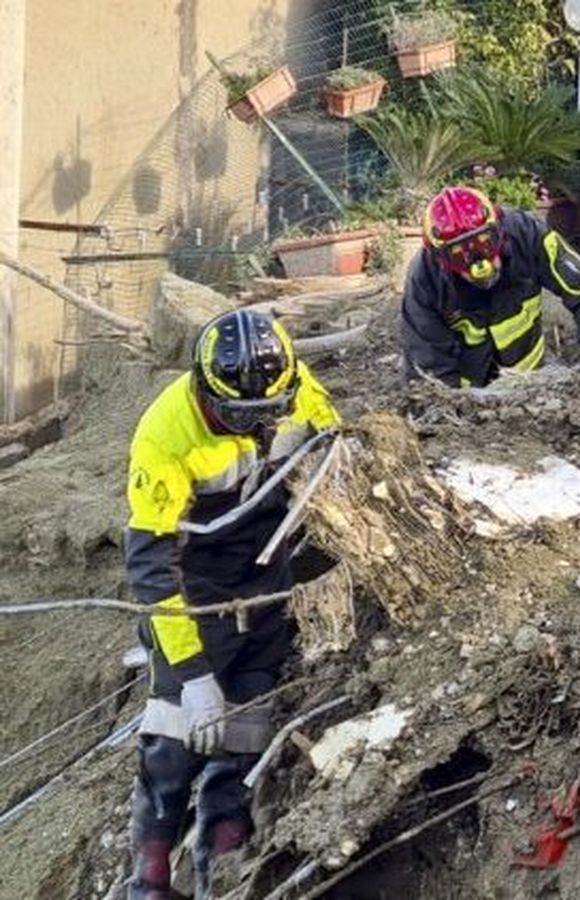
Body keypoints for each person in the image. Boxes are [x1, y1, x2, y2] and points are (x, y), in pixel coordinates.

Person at [124, 310, 339, 899]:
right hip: (197, 586)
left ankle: (223, 863)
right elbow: (150, 566)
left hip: (269, 574)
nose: (262, 425)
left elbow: (331, 436)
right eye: (243, 418)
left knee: (247, 724)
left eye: (271, 411)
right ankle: (150, 875)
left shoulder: (292, 387)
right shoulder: (167, 433)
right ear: (206, 390)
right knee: (173, 739)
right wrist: (192, 676)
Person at [400, 185, 580, 388]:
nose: (478, 264)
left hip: (531, 381)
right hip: (470, 397)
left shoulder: (527, 234)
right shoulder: (424, 281)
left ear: (498, 228)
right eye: (459, 254)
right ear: (439, 258)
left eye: (484, 243)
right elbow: (428, 367)